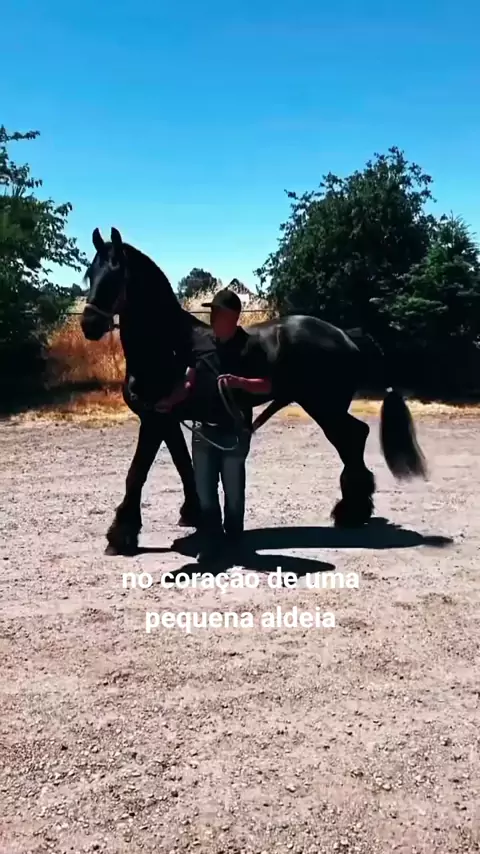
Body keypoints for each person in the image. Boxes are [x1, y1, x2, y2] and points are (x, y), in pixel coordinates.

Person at [156, 288, 273, 563]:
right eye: (212, 313)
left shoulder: (251, 346)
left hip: (234, 432)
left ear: (232, 317)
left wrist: (240, 382)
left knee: (233, 493)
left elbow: (267, 385)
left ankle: (234, 537)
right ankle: (211, 541)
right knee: (204, 493)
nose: (212, 318)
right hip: (203, 431)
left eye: (217, 313)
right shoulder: (202, 344)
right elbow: (189, 381)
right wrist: (170, 401)